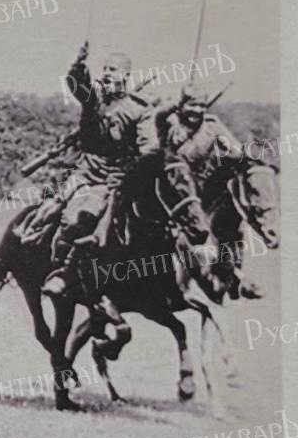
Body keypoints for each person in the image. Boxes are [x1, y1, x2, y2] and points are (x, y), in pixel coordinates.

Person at [38, 43, 165, 298]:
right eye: (104, 69)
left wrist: (131, 172)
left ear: (125, 76)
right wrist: (78, 63)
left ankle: (64, 272)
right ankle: (38, 251)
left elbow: (149, 149)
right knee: (51, 211)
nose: (106, 74)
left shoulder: (140, 109)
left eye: (113, 70)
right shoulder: (93, 99)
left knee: (81, 217)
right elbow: (76, 84)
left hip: (113, 178)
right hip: (85, 172)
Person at [159, 83, 261, 298]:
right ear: (181, 105)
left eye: (201, 106)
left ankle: (234, 275)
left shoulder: (212, 126)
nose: (197, 111)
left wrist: (244, 157)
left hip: (204, 190)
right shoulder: (169, 123)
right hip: (174, 192)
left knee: (230, 219)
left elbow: (235, 151)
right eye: (192, 105)